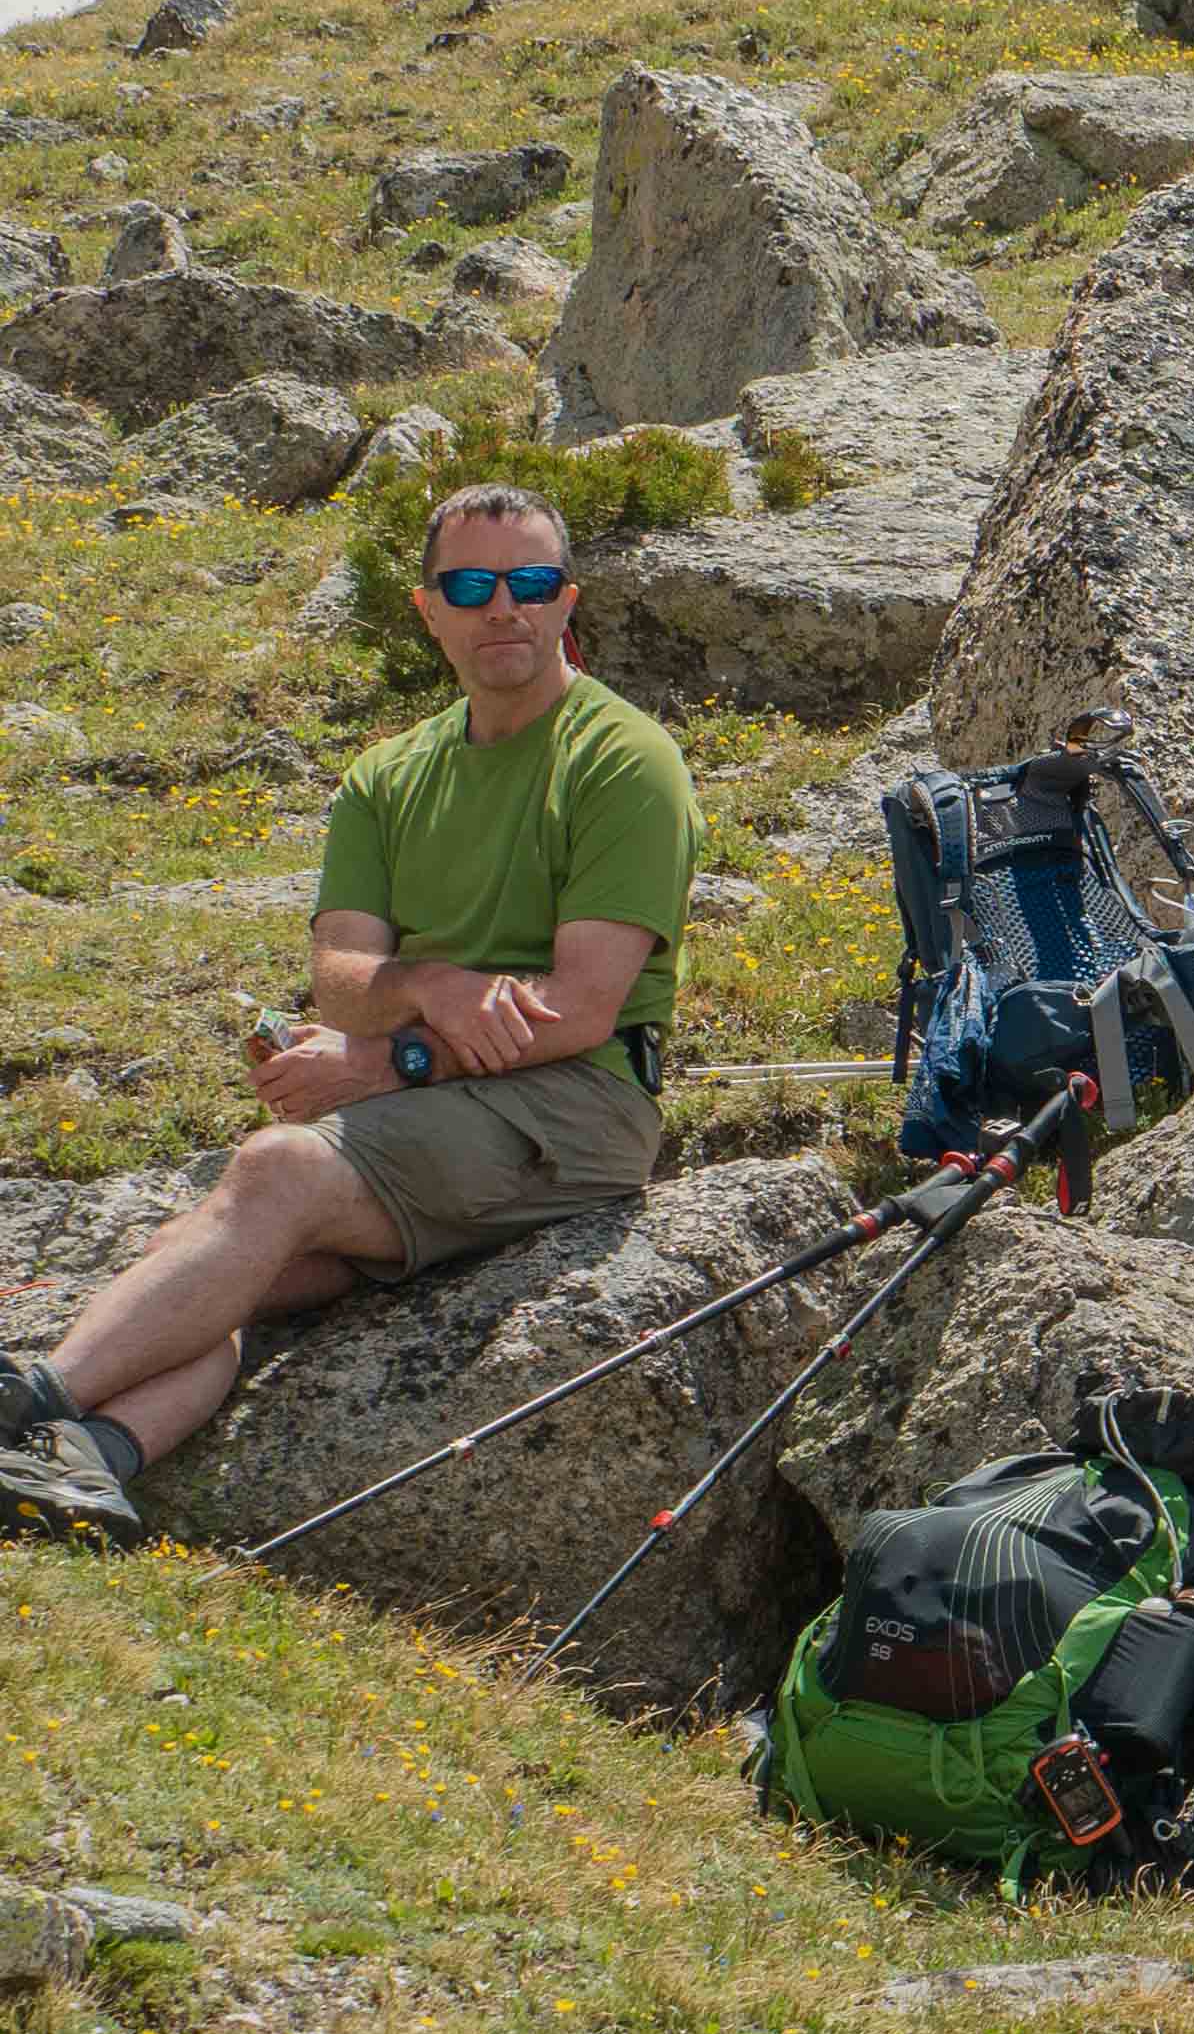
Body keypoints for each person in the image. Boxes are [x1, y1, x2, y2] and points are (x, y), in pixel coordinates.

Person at [0, 484, 700, 1542]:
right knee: (212, 1260)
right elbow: (340, 969)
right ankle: (95, 1459)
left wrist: (384, 1065)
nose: (501, 607)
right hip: (446, 1100)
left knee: (275, 1175)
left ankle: (28, 1402)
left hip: (578, 1107)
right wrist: (428, 990)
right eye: (471, 585)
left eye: (530, 582)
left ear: (568, 601)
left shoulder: (624, 761)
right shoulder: (388, 774)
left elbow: (578, 1013)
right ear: (429, 609)